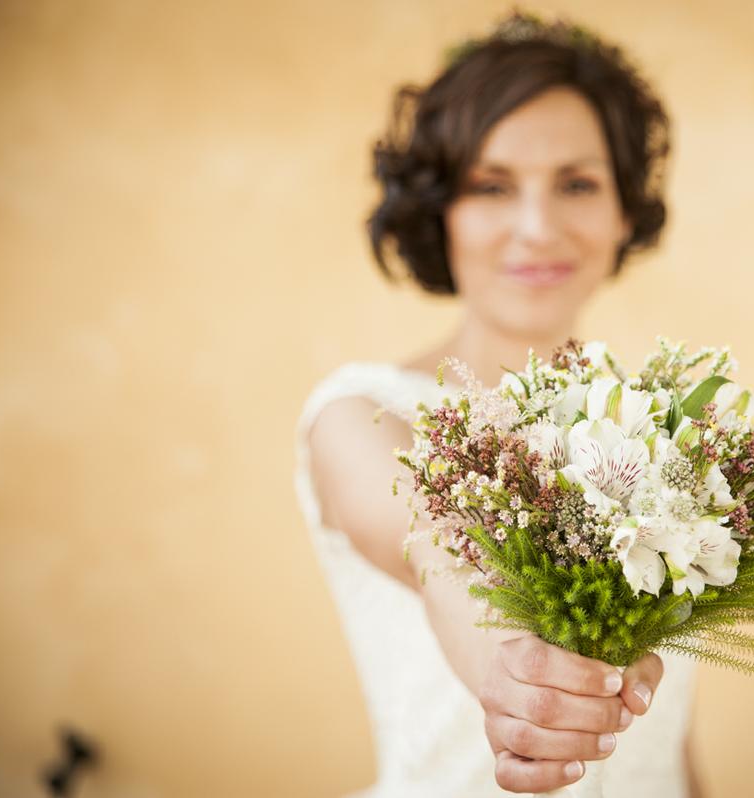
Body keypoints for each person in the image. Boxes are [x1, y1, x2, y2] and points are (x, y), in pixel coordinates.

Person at [294, 10, 704, 796]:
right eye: (491, 185)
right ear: (440, 211)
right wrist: (515, 675)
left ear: (624, 211)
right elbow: (441, 549)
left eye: (577, 184)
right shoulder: (360, 417)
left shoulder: (664, 441)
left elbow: (671, 729)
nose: (536, 227)